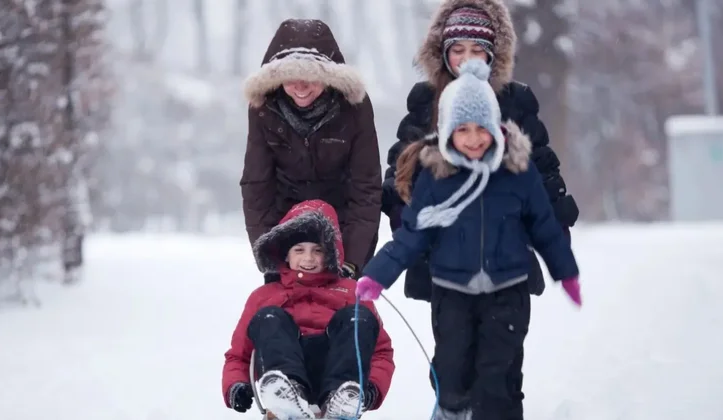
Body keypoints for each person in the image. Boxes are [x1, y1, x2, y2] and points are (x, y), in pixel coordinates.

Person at [356, 60, 582, 420]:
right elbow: (413, 234)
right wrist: (377, 274)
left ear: (495, 127)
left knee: (498, 373)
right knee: (451, 370)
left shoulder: (516, 173)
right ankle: (452, 411)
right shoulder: (437, 177)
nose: (474, 138)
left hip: (507, 289)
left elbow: (544, 226)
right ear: (447, 132)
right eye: (463, 129)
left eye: (482, 128)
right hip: (452, 291)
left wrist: (565, 272)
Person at [382, 0, 578, 300]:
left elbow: (542, 169)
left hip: (507, 245)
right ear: (443, 52)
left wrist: (556, 232)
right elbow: (401, 170)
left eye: (477, 50)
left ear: (492, 53)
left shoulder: (514, 101)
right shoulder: (427, 102)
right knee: (452, 342)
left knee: (503, 340)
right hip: (444, 251)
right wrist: (407, 222)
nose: (467, 59)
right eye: (458, 50)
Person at [222, 200, 395, 419]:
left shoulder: (351, 291)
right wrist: (236, 385)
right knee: (269, 317)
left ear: (331, 253)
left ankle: (341, 400)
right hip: (283, 367)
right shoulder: (264, 296)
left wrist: (373, 388)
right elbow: (238, 355)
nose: (308, 258)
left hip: (337, 371)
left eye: (317, 250)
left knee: (357, 318)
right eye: (299, 250)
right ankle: (287, 396)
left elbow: (381, 352)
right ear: (286, 254)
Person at [241, 18, 382, 280]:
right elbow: (257, 185)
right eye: (290, 78)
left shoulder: (354, 109)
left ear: (328, 77)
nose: (300, 86)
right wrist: (269, 253)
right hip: (287, 232)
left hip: (341, 225)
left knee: (344, 315)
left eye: (310, 77)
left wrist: (352, 259)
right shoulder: (264, 110)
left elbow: (366, 188)